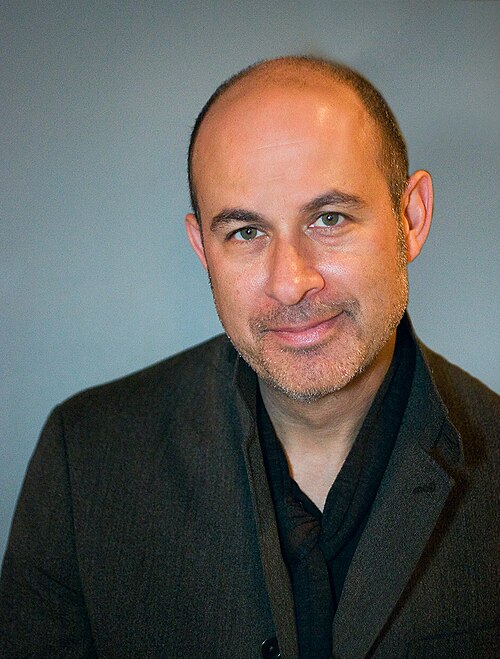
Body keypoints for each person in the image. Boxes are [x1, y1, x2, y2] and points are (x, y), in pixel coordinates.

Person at [0, 56, 498, 659]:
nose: (290, 283)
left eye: (329, 218)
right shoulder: (84, 460)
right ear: (202, 248)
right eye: (245, 232)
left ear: (410, 219)